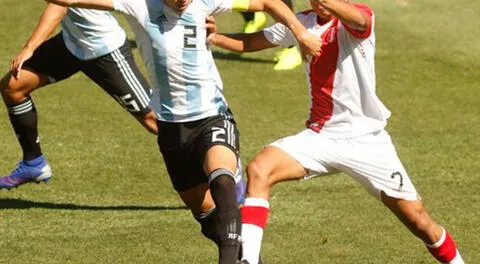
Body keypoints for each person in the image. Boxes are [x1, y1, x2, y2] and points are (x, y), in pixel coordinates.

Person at [42, 0, 322, 263]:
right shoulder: (139, 5)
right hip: (171, 129)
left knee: (223, 183)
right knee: (205, 215)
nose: (183, 1)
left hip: (212, 116)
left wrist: (299, 32)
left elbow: (267, 2)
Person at [205, 0, 465, 263]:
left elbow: (362, 22)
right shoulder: (303, 23)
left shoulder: (358, 18)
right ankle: (247, 260)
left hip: (368, 141)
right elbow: (251, 43)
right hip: (321, 138)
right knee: (260, 169)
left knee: (419, 221)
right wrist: (214, 37)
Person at [0, 4, 157, 190]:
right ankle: (33, 163)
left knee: (152, 120)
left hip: (104, 50)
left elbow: (59, 5)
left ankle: (199, 165)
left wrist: (30, 47)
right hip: (72, 44)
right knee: (13, 87)